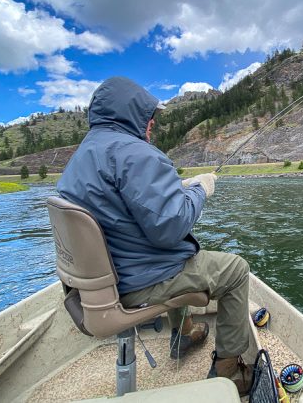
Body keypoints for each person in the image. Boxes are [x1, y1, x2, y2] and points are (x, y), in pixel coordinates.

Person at [57, 76, 253, 394]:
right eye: (150, 117)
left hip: (93, 286)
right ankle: (229, 371)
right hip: (136, 282)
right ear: (131, 115)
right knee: (235, 270)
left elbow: (122, 206)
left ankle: (183, 335)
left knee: (180, 258)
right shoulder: (137, 153)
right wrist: (200, 191)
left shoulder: (82, 156)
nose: (152, 125)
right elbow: (171, 228)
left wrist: (178, 189)